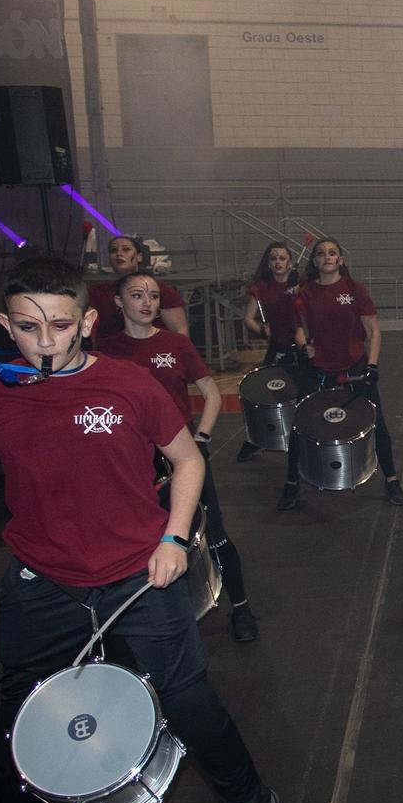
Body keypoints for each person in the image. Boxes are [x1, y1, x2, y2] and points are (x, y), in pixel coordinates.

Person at [0, 258, 282, 803]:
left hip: (137, 573)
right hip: (44, 583)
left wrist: (175, 540)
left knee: (188, 702)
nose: (45, 339)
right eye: (29, 326)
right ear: (8, 325)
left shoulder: (127, 384)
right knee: (19, 724)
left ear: (88, 322)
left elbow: (186, 459)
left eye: (60, 324)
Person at [99, 270, 259, 641]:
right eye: (137, 295)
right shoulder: (104, 350)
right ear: (119, 302)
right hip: (132, 456)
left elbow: (212, 393)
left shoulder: (176, 344)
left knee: (212, 530)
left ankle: (240, 607)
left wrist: (200, 439)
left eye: (153, 296)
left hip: (180, 449)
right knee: (143, 536)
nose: (147, 303)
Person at [280, 236, 403, 508]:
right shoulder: (305, 293)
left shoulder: (355, 289)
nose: (327, 257)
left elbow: (373, 330)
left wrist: (372, 365)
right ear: (315, 261)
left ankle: (392, 480)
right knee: (299, 426)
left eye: (332, 253)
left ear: (340, 259)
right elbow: (299, 328)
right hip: (319, 370)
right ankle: (292, 483)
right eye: (321, 253)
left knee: (378, 423)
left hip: (355, 367)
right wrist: (304, 348)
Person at [238, 241, 304, 461]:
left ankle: (306, 437)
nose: (278, 262)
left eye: (282, 258)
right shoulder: (260, 287)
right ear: (268, 263)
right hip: (277, 345)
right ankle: (255, 439)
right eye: (273, 258)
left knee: (305, 392)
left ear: (290, 263)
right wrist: (262, 330)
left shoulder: (301, 284)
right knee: (265, 394)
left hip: (302, 346)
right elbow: (248, 318)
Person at [89, 235, 190, 339]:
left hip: (156, 350)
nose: (119, 254)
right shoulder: (98, 292)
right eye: (113, 250)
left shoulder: (161, 290)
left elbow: (180, 332)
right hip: (112, 351)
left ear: (139, 256)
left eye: (126, 249)